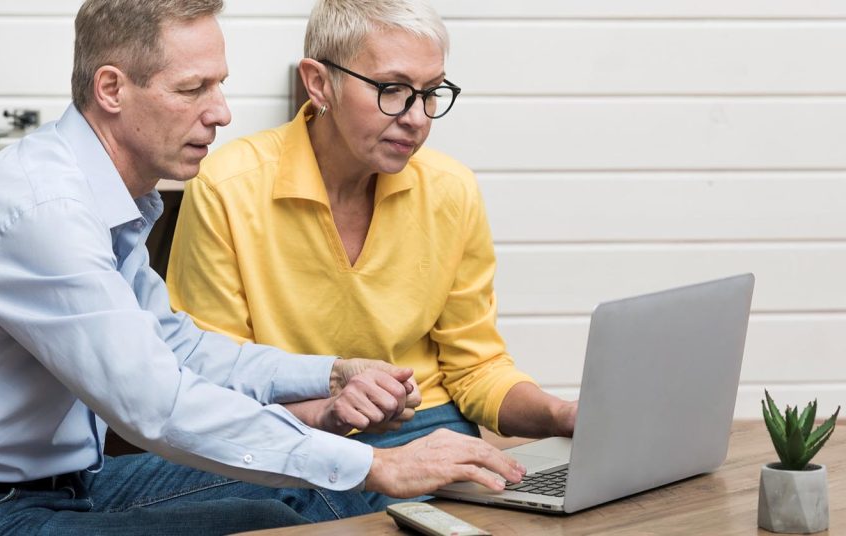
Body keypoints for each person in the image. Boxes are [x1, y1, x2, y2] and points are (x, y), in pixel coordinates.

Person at [0, 1, 528, 535]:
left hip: (61, 485)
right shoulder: (43, 209)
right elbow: (155, 404)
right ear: (112, 88)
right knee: (264, 522)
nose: (222, 112)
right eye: (193, 88)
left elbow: (176, 346)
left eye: (219, 85)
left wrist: (327, 373)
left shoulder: (110, 195)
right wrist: (381, 463)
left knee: (300, 483)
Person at [167, 0, 578, 509]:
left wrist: (564, 415)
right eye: (392, 90)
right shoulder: (226, 187)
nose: (416, 118)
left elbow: (476, 371)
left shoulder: (452, 190)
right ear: (319, 83)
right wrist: (326, 410)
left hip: (431, 428)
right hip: (291, 435)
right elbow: (213, 382)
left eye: (431, 93)